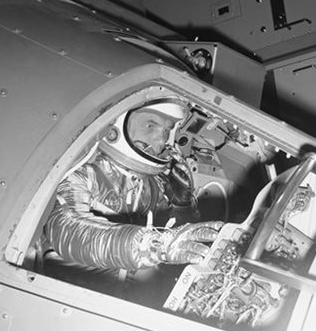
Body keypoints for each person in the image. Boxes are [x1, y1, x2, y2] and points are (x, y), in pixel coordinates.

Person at [42, 99, 224, 286]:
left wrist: (183, 205)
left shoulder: (153, 185)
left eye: (166, 131)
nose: (161, 139)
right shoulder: (83, 173)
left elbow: (179, 240)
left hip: (124, 295)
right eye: (150, 125)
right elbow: (65, 228)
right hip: (71, 290)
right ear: (117, 125)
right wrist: (149, 246)